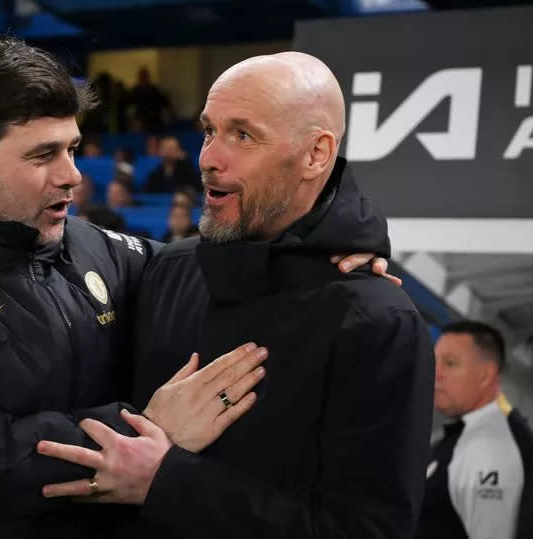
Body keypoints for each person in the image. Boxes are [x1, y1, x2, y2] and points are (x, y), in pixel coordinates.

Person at [0, 35, 277, 539]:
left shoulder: (90, 247)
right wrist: (142, 430)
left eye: (73, 148)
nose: (72, 175)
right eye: (42, 156)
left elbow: (196, 267)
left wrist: (327, 247)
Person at [37, 52, 433, 539]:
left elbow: (371, 529)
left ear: (316, 155)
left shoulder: (377, 321)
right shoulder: (168, 270)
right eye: (208, 130)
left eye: (242, 135)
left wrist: (168, 481)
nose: (208, 158)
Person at [416, 321, 533, 539]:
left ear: (485, 375)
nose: (437, 374)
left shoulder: (496, 446)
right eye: (436, 362)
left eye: (450, 364)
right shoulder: (459, 438)